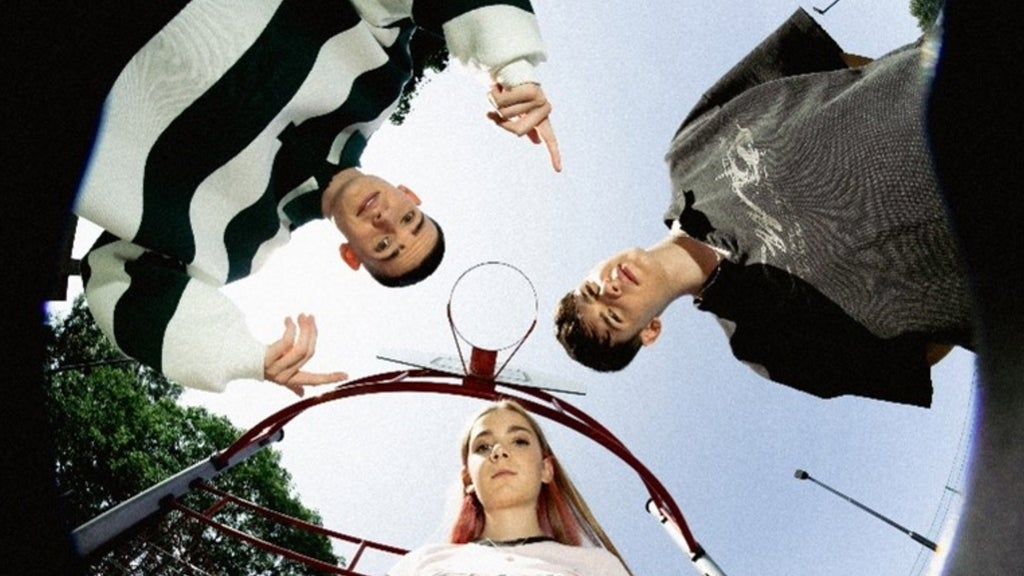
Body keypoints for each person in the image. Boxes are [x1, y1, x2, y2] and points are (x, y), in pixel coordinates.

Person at [75, 0, 561, 395]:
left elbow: (115, 278)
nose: (387, 222)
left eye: (384, 246)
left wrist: (240, 355)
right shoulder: (381, 78)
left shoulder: (241, 242)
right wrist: (512, 65)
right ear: (408, 193)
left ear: (352, 256)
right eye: (409, 218)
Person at [554, 8, 973, 408]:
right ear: (650, 331)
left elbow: (827, 64)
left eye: (592, 290)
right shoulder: (763, 347)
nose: (610, 291)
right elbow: (912, 357)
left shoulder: (687, 150)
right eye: (614, 317)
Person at [388, 399, 633, 575]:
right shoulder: (421, 563)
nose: (499, 451)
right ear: (469, 480)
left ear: (546, 469)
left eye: (519, 441)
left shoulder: (596, 566)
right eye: (483, 447)